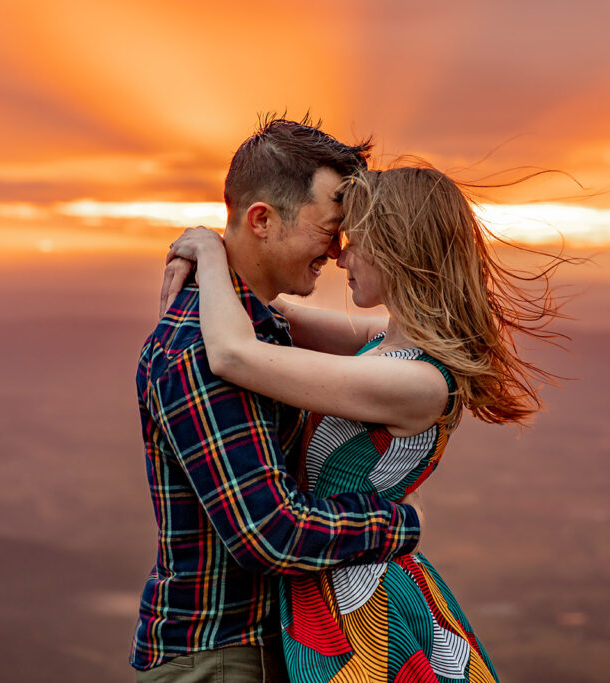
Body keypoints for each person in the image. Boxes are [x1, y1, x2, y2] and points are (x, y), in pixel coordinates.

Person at [162, 163, 566, 682]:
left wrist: (210, 251)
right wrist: (228, 252)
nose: (340, 256)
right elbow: (270, 314)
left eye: (355, 242)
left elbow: (233, 354)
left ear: (398, 250)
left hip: (366, 613)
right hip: (336, 587)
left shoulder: (419, 381)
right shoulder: (389, 344)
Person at [131, 116, 425, 682]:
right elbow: (270, 533)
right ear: (262, 220)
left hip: (258, 647)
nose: (338, 250)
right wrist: (396, 527)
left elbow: (382, 341)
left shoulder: (260, 330)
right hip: (222, 653)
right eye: (328, 228)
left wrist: (210, 252)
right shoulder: (201, 350)